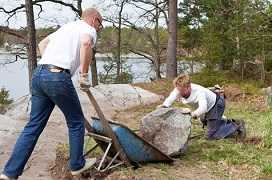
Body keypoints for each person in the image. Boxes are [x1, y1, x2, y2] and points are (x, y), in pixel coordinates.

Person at [0, 8, 103, 180]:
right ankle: (77, 165)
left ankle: (9, 173)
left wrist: (49, 63)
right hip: (57, 76)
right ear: (94, 19)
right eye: (101, 23)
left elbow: (42, 44)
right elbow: (86, 44)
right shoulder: (89, 29)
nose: (100, 27)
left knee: (33, 126)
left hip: (39, 74)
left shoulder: (67, 28)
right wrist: (84, 76)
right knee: (76, 121)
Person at [159, 74, 246, 140]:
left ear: (188, 87)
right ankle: (222, 122)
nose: (179, 93)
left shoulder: (199, 92)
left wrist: (193, 114)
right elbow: (170, 98)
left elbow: (203, 108)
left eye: (181, 91)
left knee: (211, 136)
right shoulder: (179, 88)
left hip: (216, 105)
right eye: (178, 90)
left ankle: (236, 125)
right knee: (205, 121)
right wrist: (164, 106)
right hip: (208, 109)